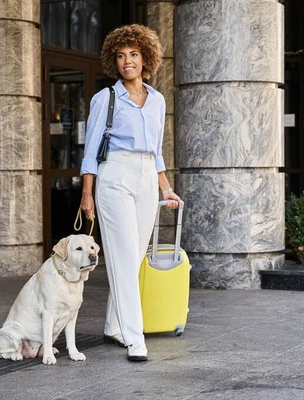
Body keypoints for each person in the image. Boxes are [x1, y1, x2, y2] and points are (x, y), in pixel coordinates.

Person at [79, 24, 183, 362]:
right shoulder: (105, 98)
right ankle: (135, 338)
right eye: (121, 56)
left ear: (145, 58)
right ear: (114, 61)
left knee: (133, 258)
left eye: (134, 55)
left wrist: (166, 188)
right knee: (123, 256)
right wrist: (87, 193)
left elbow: (157, 152)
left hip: (145, 178)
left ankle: (113, 324)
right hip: (114, 176)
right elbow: (92, 149)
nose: (128, 61)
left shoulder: (156, 100)